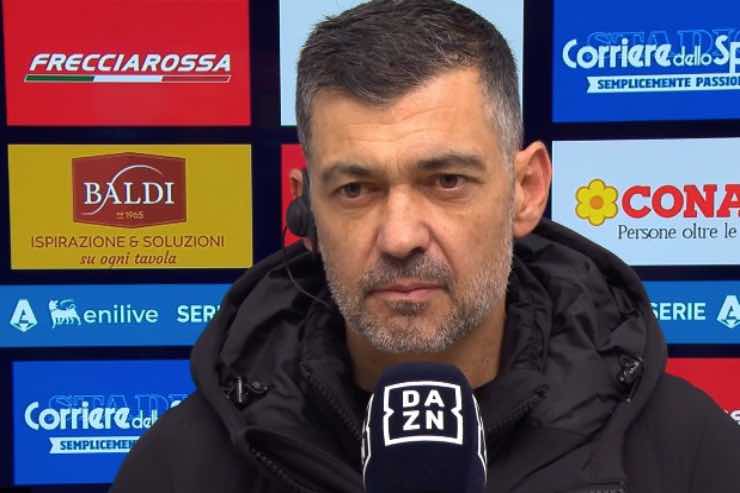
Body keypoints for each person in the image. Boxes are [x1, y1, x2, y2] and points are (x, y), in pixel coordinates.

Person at [110, 1, 740, 492]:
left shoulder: (687, 453)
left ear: (525, 191)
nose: (400, 237)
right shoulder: (185, 465)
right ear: (307, 210)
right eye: (355, 189)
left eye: (446, 181)